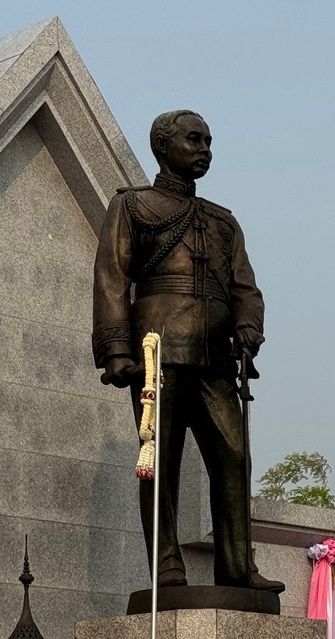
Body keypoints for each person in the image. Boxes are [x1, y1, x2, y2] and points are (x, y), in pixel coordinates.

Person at [91, 108, 283, 595]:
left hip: (215, 358)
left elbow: (246, 288)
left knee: (234, 456)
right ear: (162, 146)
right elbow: (113, 279)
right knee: (160, 459)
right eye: (194, 140)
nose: (205, 150)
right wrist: (117, 349)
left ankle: (238, 566)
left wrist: (247, 325)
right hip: (157, 354)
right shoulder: (133, 207)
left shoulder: (222, 222)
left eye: (209, 142)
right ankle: (167, 563)